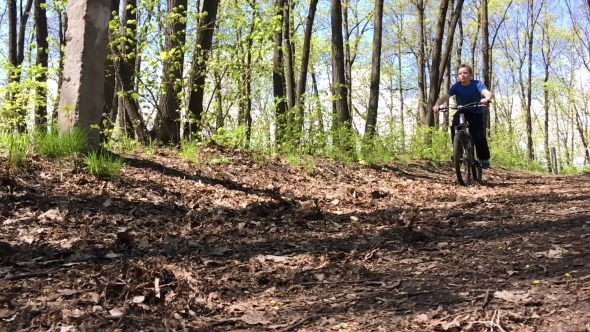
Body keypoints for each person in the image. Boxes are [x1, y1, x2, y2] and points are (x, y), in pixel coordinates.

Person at [432, 64, 494, 169]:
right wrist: (437, 104)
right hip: (462, 111)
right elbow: (445, 97)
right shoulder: (456, 86)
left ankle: (484, 159)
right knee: (454, 128)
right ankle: (458, 153)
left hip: (476, 111)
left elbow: (487, 93)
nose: (462, 75)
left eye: (465, 73)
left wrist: (486, 98)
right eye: (460, 73)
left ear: (470, 75)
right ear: (458, 76)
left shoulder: (476, 84)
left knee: (478, 136)